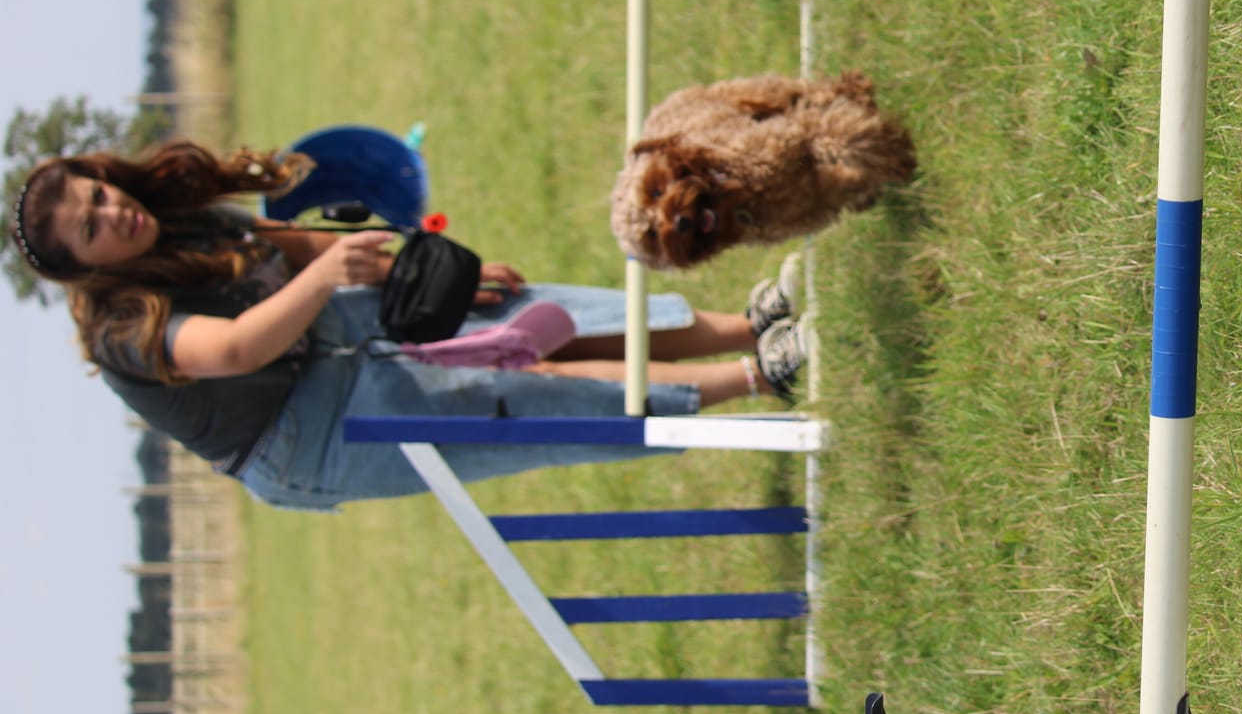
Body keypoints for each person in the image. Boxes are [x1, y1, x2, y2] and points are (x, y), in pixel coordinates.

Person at [9, 140, 810, 511]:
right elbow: (234, 347)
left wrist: (433, 277)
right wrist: (326, 277)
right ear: (83, 269)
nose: (113, 213)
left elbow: (300, 247)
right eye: (90, 228)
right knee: (524, 391)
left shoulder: (180, 218)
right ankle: (760, 375)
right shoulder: (121, 328)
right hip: (299, 433)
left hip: (318, 329)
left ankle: (747, 326)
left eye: (98, 194)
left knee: (524, 315)